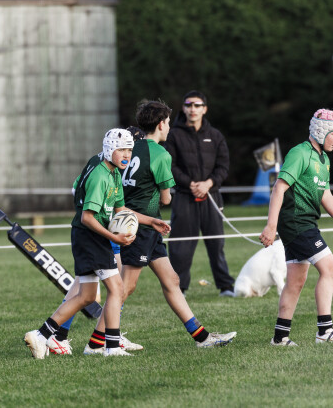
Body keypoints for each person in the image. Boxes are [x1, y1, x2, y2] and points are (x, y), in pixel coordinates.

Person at [80, 99, 236, 355]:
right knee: (124, 287)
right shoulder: (160, 154)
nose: (169, 127)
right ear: (162, 124)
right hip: (139, 226)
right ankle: (97, 343)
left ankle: (202, 337)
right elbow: (166, 199)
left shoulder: (129, 147)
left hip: (142, 225)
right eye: (168, 123)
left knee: (172, 280)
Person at [23, 128, 136, 358]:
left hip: (86, 237)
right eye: (121, 149)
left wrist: (151, 222)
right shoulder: (101, 176)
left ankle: (41, 335)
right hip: (92, 237)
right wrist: (114, 237)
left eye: (129, 150)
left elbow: (120, 209)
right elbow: (87, 217)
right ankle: (111, 347)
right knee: (117, 289)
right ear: (109, 150)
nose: (126, 155)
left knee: (86, 296)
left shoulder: (112, 171)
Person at [259, 109, 333, 346]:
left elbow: (325, 194)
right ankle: (325, 331)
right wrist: (271, 226)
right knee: (330, 268)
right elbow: (279, 188)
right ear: (322, 132)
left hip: (305, 222)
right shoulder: (300, 153)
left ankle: (280, 338)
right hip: (296, 222)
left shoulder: (324, 160)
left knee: (295, 281)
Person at [164, 90, 235, 297]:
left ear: (205, 109)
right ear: (183, 108)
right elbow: (170, 166)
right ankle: (179, 288)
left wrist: (208, 184)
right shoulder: (174, 135)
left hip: (212, 197)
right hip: (184, 197)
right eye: (189, 105)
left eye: (197, 105)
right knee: (181, 245)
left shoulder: (216, 136)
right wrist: (191, 184)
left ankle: (225, 287)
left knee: (216, 243)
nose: (192, 109)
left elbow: (223, 166)